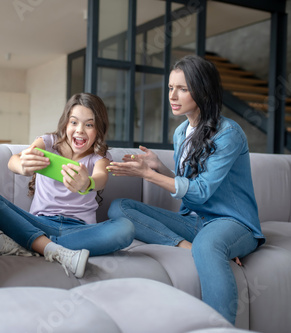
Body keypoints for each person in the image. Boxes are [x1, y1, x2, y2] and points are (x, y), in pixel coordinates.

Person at [106, 55, 265, 324]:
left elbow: (201, 191)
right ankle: (186, 245)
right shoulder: (181, 133)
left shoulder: (229, 134)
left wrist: (149, 176)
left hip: (233, 223)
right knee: (119, 207)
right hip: (196, 221)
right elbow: (187, 185)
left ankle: (219, 329)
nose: (173, 95)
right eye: (170, 88)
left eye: (183, 88)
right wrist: (159, 168)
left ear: (202, 90)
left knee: (209, 244)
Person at [0, 92, 135, 278]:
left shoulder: (99, 157)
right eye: (74, 122)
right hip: (39, 223)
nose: (80, 130)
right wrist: (22, 167)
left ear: (98, 129)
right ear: (66, 124)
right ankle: (52, 249)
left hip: (80, 230)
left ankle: (38, 246)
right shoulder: (48, 143)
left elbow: (101, 178)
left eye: (89, 124)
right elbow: (15, 159)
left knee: (126, 228)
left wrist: (88, 182)